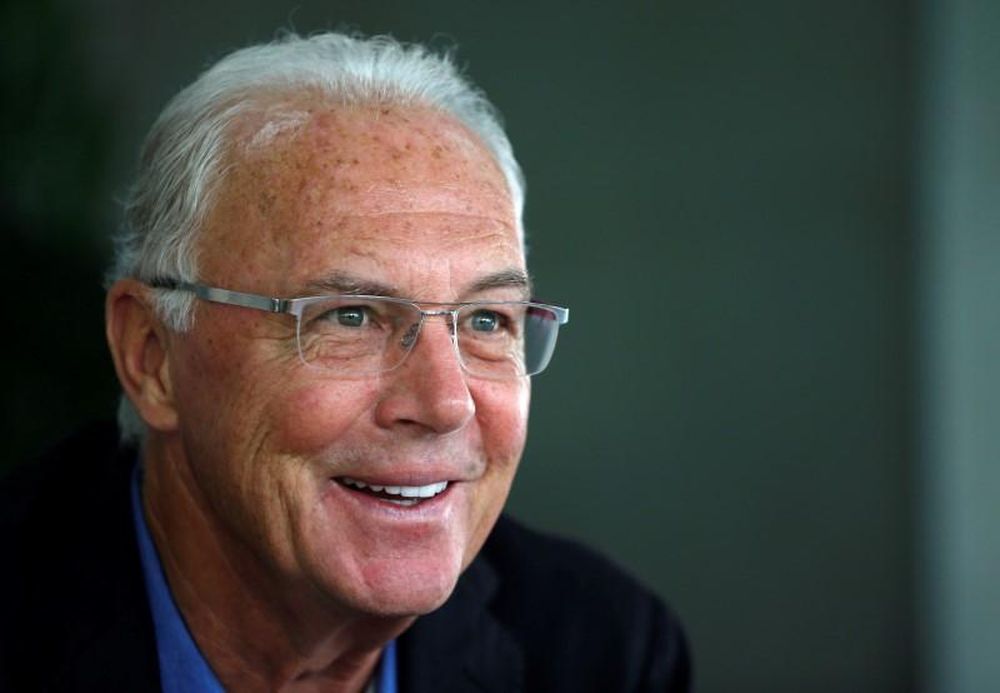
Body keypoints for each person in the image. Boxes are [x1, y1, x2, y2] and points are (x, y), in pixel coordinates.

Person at [0, 31, 691, 692]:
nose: (447, 401)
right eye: (350, 317)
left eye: (486, 320)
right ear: (151, 355)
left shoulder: (603, 649)